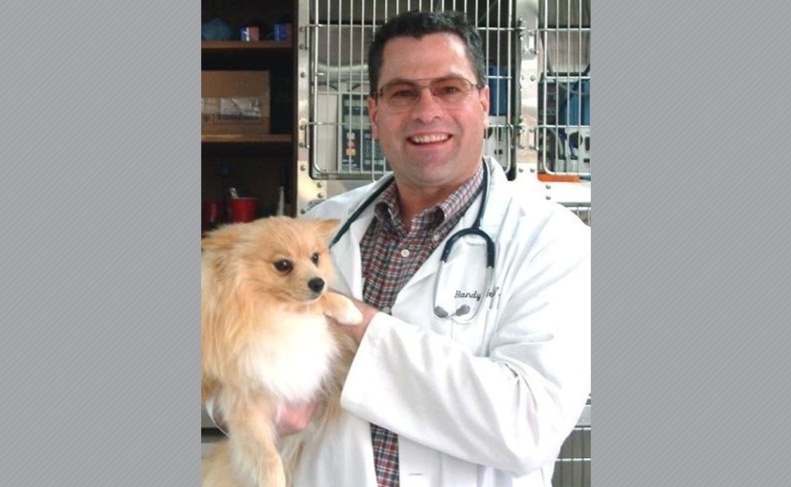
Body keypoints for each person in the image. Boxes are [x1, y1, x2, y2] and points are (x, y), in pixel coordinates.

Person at [210, 9, 590, 487]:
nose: (426, 111)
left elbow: (528, 425)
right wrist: (251, 409)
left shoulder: (552, 239)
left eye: (450, 89)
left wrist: (360, 327)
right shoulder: (316, 231)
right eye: (402, 92)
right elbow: (227, 352)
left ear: (484, 102)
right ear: (374, 112)